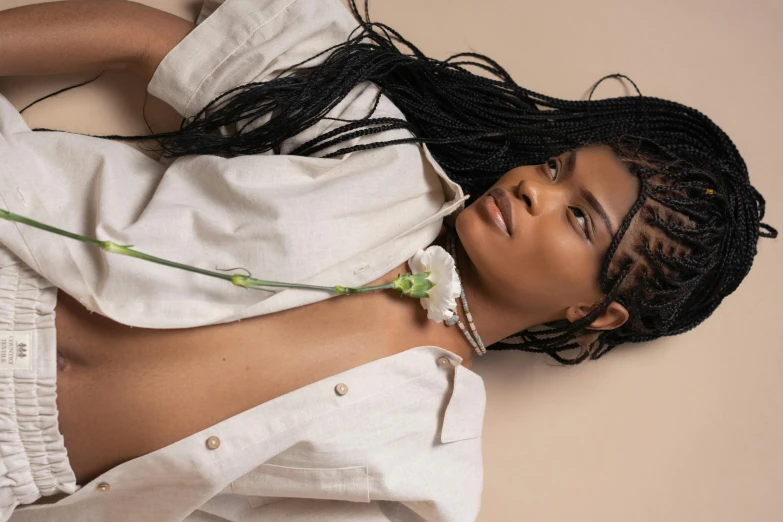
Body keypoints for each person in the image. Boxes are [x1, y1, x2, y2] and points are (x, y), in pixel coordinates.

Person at [0, 0, 775, 520]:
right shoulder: (380, 165)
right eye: (553, 168)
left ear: (595, 312)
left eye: (577, 217)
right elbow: (151, 40)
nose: (533, 192)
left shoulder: (425, 470)